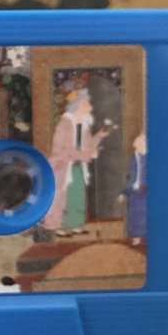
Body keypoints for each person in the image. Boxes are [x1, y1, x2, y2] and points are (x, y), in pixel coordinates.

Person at [43, 90, 113, 234]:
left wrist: (99, 136)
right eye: (86, 104)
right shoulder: (64, 124)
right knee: (61, 197)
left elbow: (88, 146)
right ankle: (57, 226)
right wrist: (86, 155)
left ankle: (75, 224)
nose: (90, 107)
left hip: (78, 167)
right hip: (63, 166)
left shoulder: (85, 126)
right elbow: (62, 149)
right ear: (77, 106)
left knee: (78, 195)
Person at [119, 132, 147, 243]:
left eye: (139, 146)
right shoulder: (134, 159)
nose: (136, 149)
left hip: (149, 192)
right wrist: (124, 193)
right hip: (136, 192)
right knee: (135, 215)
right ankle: (136, 237)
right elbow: (132, 178)